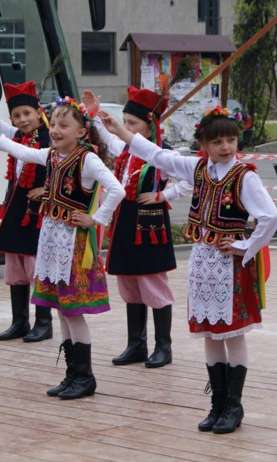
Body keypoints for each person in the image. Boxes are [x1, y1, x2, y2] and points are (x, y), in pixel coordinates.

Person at [100, 105, 277, 433]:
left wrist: (244, 246)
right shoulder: (197, 168)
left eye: (231, 140)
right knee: (210, 332)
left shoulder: (245, 176)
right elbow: (155, 154)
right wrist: (119, 130)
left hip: (229, 265)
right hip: (202, 261)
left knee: (232, 333)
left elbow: (270, 217)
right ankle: (217, 403)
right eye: (217, 142)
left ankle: (234, 406)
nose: (225, 147)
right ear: (204, 144)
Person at [0, 97, 125, 400]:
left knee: (73, 311)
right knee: (61, 310)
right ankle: (73, 374)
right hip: (52, 239)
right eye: (53, 123)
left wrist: (96, 219)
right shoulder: (52, 155)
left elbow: (117, 189)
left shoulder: (88, 159)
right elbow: (24, 151)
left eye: (63, 125)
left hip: (73, 244)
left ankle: (85, 376)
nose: (55, 129)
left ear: (81, 132)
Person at [83, 87, 191, 368]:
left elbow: (190, 180)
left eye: (133, 123)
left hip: (150, 224)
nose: (127, 127)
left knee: (152, 283)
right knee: (129, 282)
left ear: (150, 125)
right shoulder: (124, 149)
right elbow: (108, 134)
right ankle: (136, 344)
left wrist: (163, 195)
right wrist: (94, 115)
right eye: (125, 122)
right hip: (125, 221)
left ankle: (163, 347)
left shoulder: (163, 154)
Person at [0, 66, 54, 342]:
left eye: (27, 114)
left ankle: (44, 322)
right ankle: (19, 321)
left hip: (39, 212)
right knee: (16, 266)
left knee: (37, 267)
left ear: (38, 113)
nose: (22, 120)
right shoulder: (18, 136)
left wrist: (48, 190)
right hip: (17, 208)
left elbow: (64, 168)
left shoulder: (51, 137)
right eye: (17, 116)